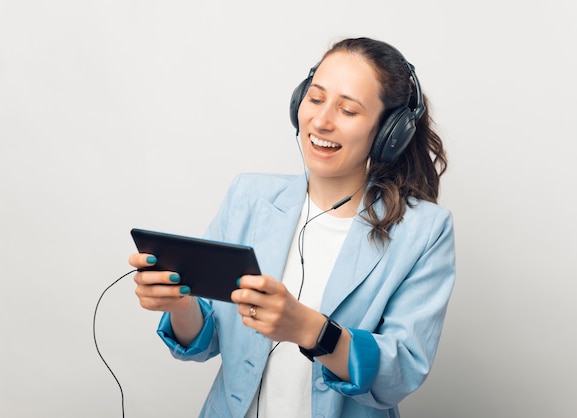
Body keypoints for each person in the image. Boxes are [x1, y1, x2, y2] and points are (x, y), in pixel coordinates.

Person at [129, 37, 456, 418]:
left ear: (390, 133)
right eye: (315, 99)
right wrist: (180, 302)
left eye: (348, 110)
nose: (321, 121)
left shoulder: (424, 232)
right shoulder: (248, 196)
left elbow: (399, 373)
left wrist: (312, 331)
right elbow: (206, 340)